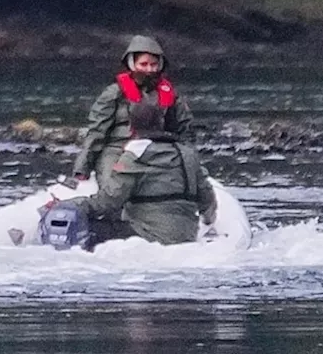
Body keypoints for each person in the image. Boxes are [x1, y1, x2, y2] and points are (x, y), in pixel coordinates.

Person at [64, 103, 218, 248]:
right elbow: (207, 198)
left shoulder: (135, 155)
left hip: (146, 236)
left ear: (131, 128)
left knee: (83, 226)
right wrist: (209, 221)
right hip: (187, 235)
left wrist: (74, 205)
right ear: (161, 124)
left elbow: (109, 201)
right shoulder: (188, 154)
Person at [71, 34, 194, 188]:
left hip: (159, 151)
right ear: (132, 64)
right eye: (143, 64)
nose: (149, 70)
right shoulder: (113, 93)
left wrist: (191, 165)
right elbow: (97, 132)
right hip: (117, 151)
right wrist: (82, 168)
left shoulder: (172, 96)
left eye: (153, 64)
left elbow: (186, 132)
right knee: (114, 188)